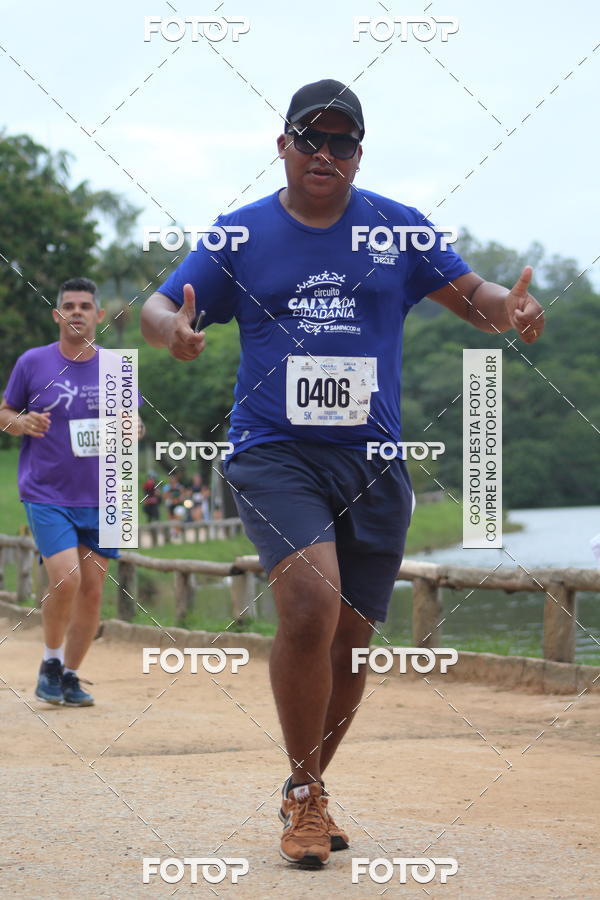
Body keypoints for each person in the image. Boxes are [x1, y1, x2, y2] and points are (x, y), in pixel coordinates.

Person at [140, 79, 545, 868]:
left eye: (343, 142)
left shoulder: (397, 230)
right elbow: (160, 303)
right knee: (308, 600)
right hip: (274, 451)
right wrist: (173, 331)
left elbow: (475, 295)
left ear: (361, 152)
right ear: (282, 143)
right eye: (311, 138)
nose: (326, 154)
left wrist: (513, 310)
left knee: (352, 643)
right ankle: (302, 795)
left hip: (374, 461)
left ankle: (310, 788)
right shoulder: (241, 235)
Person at [0, 277, 144, 707]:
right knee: (66, 579)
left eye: (85, 305)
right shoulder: (33, 362)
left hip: (108, 493)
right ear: (57, 315)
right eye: (69, 305)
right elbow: (5, 412)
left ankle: (70, 676)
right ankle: (49, 661)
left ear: (99, 315)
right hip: (47, 491)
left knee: (93, 591)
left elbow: (134, 421)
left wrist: (134, 429)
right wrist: (22, 423)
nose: (77, 312)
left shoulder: (117, 366)